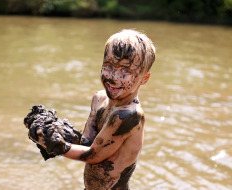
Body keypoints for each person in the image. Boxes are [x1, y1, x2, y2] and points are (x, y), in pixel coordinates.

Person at [27, 29, 156, 190]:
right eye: (108, 66)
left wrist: (55, 145)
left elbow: (93, 156)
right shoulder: (99, 98)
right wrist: (55, 131)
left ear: (144, 78)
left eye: (125, 71)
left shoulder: (129, 115)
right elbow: (87, 142)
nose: (113, 77)